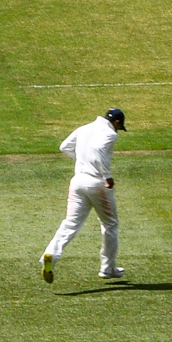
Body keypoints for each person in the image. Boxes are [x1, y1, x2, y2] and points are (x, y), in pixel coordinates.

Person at [40, 107, 127, 283]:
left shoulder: (84, 128)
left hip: (78, 181)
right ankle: (107, 268)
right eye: (119, 126)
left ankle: (50, 256)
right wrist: (107, 176)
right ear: (116, 122)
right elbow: (98, 151)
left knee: (70, 223)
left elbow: (64, 147)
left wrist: (81, 161)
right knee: (110, 224)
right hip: (97, 184)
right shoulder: (110, 134)